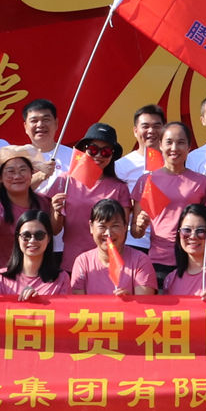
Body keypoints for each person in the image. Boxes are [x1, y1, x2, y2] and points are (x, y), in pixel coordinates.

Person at [132, 121, 206, 285]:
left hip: (193, 260)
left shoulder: (202, 183)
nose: (174, 148)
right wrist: (140, 225)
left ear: (189, 147)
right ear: (160, 145)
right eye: (169, 142)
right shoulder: (147, 181)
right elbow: (135, 232)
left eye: (181, 142)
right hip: (158, 261)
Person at [47, 122, 129, 272]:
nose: (98, 155)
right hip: (73, 263)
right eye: (93, 149)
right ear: (84, 150)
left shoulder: (120, 187)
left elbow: (122, 232)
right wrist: (57, 212)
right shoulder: (66, 180)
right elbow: (54, 230)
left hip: (108, 265)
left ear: (112, 155)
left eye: (105, 152)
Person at [67, 198, 156, 295]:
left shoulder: (140, 261)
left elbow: (145, 305)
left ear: (125, 227)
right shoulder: (83, 262)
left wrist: (130, 301)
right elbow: (78, 305)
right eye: (102, 227)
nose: (108, 233)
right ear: (91, 227)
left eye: (115, 226)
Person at [111, 104, 166, 252]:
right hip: (134, 242)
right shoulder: (121, 166)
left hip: (169, 243)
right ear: (135, 131)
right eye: (145, 126)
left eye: (157, 126)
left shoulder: (175, 163)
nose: (151, 131)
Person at [0, 146, 55, 250]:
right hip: (8, 266)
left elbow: (54, 230)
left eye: (23, 170)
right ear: (0, 178)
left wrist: (57, 212)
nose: (17, 176)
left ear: (32, 174)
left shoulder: (44, 202)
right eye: (11, 171)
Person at [0, 209, 69, 298]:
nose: (32, 240)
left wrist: (41, 302)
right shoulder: (0, 278)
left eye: (39, 235)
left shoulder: (61, 278)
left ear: (48, 238)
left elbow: (64, 311)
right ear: (18, 238)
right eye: (26, 236)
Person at [20, 98, 72, 187]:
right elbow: (11, 193)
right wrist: (40, 176)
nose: (40, 125)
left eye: (46, 120)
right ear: (25, 127)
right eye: (34, 121)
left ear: (56, 123)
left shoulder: (72, 156)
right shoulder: (16, 157)